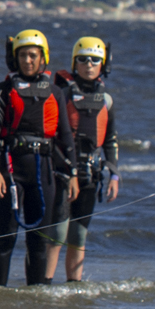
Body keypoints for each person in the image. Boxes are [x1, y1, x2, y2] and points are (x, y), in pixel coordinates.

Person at [0, 29, 67, 286]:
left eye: (33, 55)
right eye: (23, 56)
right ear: (15, 58)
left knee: (39, 241)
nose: (28, 61)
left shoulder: (55, 92)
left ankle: (36, 298)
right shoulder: (3, 90)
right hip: (10, 170)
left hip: (44, 170)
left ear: (43, 58)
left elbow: (65, 136)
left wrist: (72, 173)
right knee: (6, 237)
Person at [52, 36, 121, 283]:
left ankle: (73, 285)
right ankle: (45, 283)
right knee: (57, 232)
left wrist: (113, 173)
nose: (88, 65)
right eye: (82, 60)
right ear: (74, 63)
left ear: (103, 64)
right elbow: (53, 135)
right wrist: (66, 170)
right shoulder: (62, 94)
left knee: (78, 235)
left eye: (94, 60)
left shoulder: (107, 101)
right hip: (63, 173)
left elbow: (111, 139)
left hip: (91, 175)